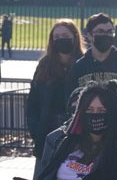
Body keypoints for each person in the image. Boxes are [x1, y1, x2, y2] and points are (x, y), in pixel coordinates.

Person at [67, 13, 117, 133]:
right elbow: (71, 101)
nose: (106, 35)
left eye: (109, 32)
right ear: (89, 35)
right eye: (100, 31)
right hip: (85, 131)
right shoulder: (78, 67)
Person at [26, 19, 83, 159]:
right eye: (56, 37)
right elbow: (33, 102)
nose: (61, 39)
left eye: (65, 35)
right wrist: (36, 130)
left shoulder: (84, 64)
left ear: (74, 37)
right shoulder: (44, 65)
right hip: (47, 132)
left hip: (78, 134)